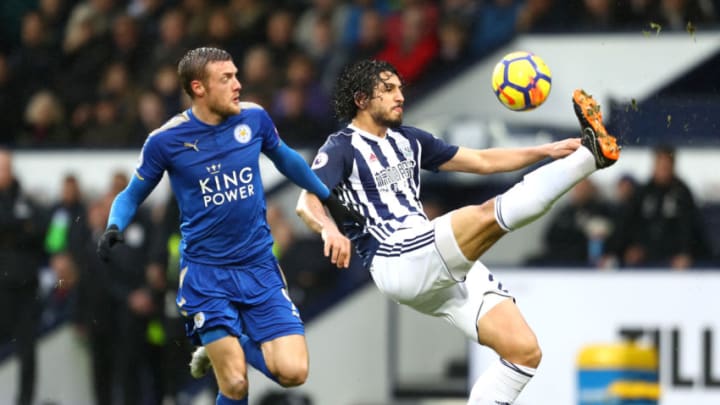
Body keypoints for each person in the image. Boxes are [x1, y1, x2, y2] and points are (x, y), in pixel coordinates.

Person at [295, 59, 620, 405]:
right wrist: (328, 229)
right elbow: (306, 201)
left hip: (432, 263)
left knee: (523, 352)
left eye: (400, 88)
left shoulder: (408, 139)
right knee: (484, 215)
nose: (399, 96)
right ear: (361, 100)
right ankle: (590, 157)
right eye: (388, 90)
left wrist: (546, 151)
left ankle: (587, 155)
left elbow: (481, 161)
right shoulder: (341, 147)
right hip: (396, 256)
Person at [95, 47, 356, 405]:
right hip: (207, 275)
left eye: (236, 74)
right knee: (234, 383)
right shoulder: (166, 141)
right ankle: (224, 347)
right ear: (199, 88)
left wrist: (328, 196)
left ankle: (231, 344)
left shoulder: (255, 119)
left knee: (293, 372)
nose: (238, 84)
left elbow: (288, 160)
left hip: (259, 268)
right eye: (227, 78)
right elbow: (131, 194)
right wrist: (114, 226)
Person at [603, 144, 710, 269]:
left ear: (673, 166)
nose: (663, 169)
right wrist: (626, 249)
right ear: (654, 165)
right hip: (644, 259)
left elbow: (689, 227)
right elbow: (627, 224)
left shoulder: (682, 193)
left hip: (673, 260)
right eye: (660, 164)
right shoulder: (643, 193)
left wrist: (685, 253)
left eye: (667, 165)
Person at [0, 148, 47, 405]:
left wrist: (13, 230)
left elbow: (40, 225)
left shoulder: (25, 198)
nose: (4, 172)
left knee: (27, 351)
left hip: (26, 287)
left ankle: (24, 401)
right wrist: (19, 227)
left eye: (6, 167)